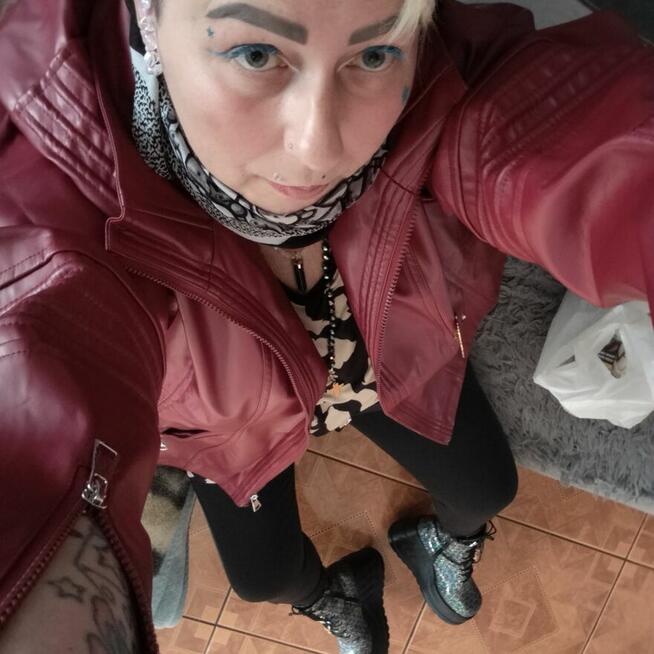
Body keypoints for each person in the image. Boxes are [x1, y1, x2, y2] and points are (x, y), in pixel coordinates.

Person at [0, 0, 651, 652]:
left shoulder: (440, 74)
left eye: (373, 54)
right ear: (147, 19)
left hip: (373, 361)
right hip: (231, 427)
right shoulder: (66, 190)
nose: (320, 147)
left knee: (486, 488)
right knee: (264, 577)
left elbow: (562, 143)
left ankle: (438, 543)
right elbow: (41, 366)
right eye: (257, 54)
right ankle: (333, 595)